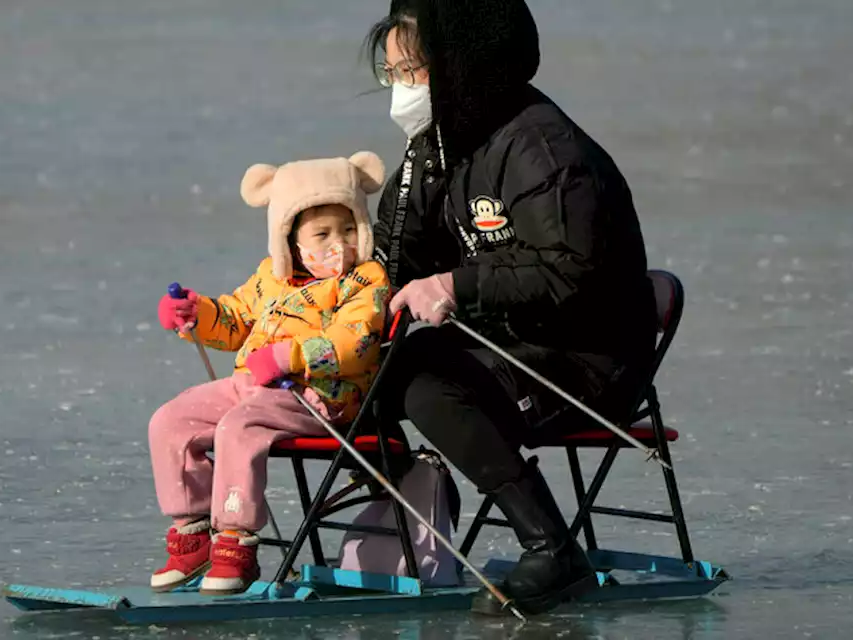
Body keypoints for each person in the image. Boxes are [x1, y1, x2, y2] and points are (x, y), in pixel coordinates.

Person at [363, 0, 660, 615]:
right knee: (368, 373)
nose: (401, 90)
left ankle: (552, 548)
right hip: (512, 340)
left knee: (429, 388)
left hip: (586, 356)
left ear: (463, 64)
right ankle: (398, 524)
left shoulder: (543, 148)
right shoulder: (441, 144)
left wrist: (454, 286)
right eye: (391, 75)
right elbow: (394, 260)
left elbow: (566, 266)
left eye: (412, 71)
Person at [148, 151, 391, 595]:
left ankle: (235, 543)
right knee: (171, 420)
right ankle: (193, 532)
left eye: (348, 229)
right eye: (322, 233)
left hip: (322, 397)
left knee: (241, 425)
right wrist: (195, 313)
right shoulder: (271, 278)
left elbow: (356, 343)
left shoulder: (365, 281)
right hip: (256, 387)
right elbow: (235, 319)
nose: (338, 243)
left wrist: (289, 357)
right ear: (291, 239)